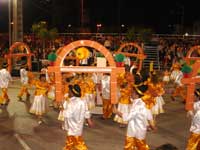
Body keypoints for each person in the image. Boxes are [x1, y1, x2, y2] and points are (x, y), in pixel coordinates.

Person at [114, 74, 156, 150]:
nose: (131, 93)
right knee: (130, 146)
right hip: (136, 130)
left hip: (137, 131)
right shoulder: (141, 102)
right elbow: (149, 115)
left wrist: (117, 112)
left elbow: (127, 117)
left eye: (132, 92)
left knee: (140, 147)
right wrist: (152, 125)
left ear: (136, 94)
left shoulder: (137, 106)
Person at [63, 84, 93, 150]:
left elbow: (67, 114)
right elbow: (86, 112)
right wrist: (89, 121)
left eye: (69, 91)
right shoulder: (83, 101)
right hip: (78, 126)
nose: (68, 92)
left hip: (72, 127)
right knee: (71, 144)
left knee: (78, 144)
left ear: (72, 93)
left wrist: (62, 109)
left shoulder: (71, 103)